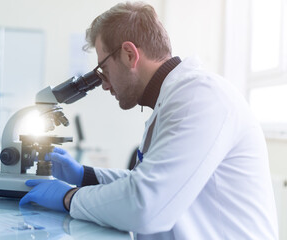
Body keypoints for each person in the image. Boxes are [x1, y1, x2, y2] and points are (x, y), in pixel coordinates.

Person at [19, 2, 278, 239]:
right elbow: (148, 181)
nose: (104, 84)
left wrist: (68, 197)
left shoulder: (200, 98)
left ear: (130, 55)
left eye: (103, 70)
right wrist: (86, 175)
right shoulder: (173, 100)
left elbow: (146, 205)